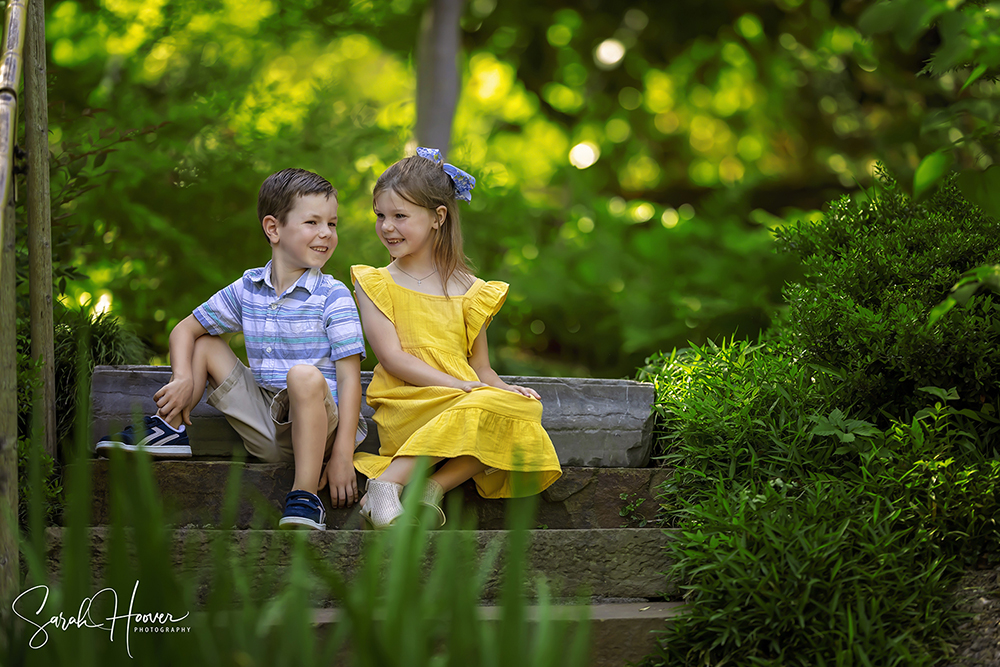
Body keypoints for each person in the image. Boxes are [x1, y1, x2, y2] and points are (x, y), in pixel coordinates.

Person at [96, 168, 367, 531]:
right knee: (206, 341)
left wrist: (342, 456)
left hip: (320, 426)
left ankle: (305, 496)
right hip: (265, 425)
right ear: (273, 229)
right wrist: (182, 378)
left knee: (303, 376)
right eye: (313, 222)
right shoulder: (248, 287)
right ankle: (170, 427)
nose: (325, 234)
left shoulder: (333, 297)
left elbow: (350, 382)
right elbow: (184, 330)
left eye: (331, 224)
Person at [351, 147, 562, 529]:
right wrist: (461, 386)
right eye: (380, 215)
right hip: (409, 398)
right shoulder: (375, 282)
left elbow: (480, 368)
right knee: (483, 407)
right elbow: (393, 357)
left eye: (400, 216)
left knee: (525, 410)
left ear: (438, 218)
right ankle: (384, 485)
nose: (387, 226)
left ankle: (434, 486)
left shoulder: (470, 289)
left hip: (462, 397)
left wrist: (502, 389)